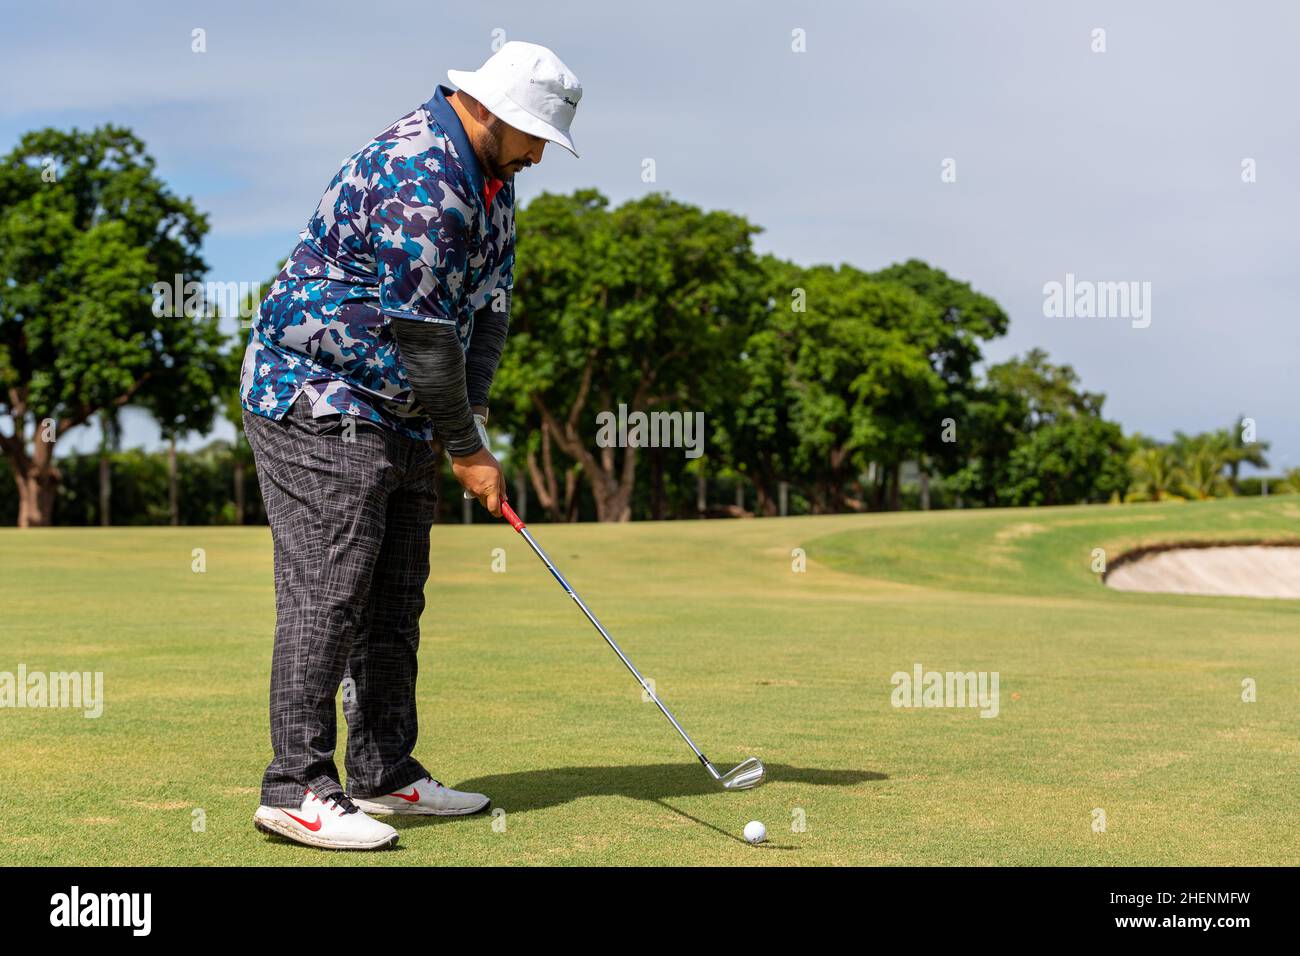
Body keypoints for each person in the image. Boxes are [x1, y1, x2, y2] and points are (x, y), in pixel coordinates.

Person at [238, 41, 582, 850]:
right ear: (488, 110)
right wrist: (467, 449)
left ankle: (385, 773)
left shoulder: (492, 186)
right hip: (315, 396)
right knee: (330, 595)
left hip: (404, 411)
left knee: (395, 600)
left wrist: (468, 422)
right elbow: (423, 332)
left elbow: (488, 313)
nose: (538, 153)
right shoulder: (421, 171)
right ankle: (294, 787)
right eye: (533, 134)